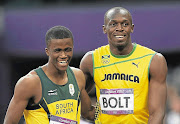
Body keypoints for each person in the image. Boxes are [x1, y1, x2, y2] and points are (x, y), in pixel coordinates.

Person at [80, 7, 167, 124]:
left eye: (125, 24)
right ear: (105, 29)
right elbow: (76, 96)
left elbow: (157, 113)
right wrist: (90, 113)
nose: (119, 29)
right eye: (113, 24)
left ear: (132, 28)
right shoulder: (91, 60)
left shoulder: (154, 60)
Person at [4, 25, 95, 124]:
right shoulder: (30, 82)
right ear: (48, 51)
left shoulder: (77, 76)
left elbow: (88, 113)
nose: (64, 55)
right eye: (58, 50)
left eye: (67, 50)